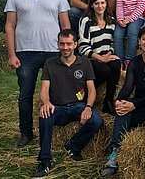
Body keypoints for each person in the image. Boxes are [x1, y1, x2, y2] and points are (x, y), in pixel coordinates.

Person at [4, 0, 70, 149]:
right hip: (26, 52)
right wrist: (11, 54)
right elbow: (9, 26)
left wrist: (67, 51)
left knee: (57, 93)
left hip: (52, 51)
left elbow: (65, 24)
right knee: (25, 94)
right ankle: (26, 133)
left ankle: (55, 130)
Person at [31, 29, 104, 178]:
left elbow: (91, 90)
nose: (65, 47)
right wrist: (46, 103)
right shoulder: (50, 64)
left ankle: (73, 146)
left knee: (97, 120)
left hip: (78, 106)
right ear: (57, 45)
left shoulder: (85, 63)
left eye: (69, 44)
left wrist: (88, 107)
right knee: (45, 116)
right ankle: (45, 160)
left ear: (75, 44)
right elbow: (44, 90)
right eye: (62, 44)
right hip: (57, 107)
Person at [101, 25, 145, 176]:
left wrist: (134, 105)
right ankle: (115, 152)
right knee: (122, 110)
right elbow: (128, 86)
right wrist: (119, 100)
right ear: (139, 41)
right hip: (138, 103)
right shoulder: (135, 62)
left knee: (128, 109)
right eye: (144, 39)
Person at [78, 0, 121, 116]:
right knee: (104, 70)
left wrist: (109, 54)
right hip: (90, 58)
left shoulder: (111, 22)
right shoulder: (86, 21)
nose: (100, 6)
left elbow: (112, 43)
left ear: (106, 4)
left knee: (116, 64)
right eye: (96, 3)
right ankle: (85, 94)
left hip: (105, 57)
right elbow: (82, 47)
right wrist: (100, 58)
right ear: (91, 5)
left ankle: (108, 101)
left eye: (102, 3)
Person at [113, 0, 145, 69]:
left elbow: (140, 8)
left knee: (132, 32)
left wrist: (129, 19)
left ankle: (129, 59)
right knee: (117, 35)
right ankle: (119, 60)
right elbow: (119, 7)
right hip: (123, 18)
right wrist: (120, 19)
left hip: (137, 18)